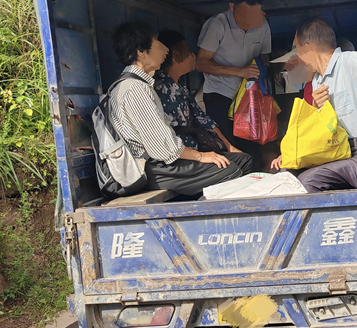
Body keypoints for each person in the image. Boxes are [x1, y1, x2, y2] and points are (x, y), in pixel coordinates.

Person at [108, 21, 252, 197]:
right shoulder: (135, 89)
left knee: (242, 161)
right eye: (157, 44)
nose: (164, 49)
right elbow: (162, 147)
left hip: (163, 164)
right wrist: (201, 156)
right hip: (153, 168)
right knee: (231, 171)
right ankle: (202, 220)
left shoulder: (140, 85)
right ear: (141, 52)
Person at [270, 19, 357, 192]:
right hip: (337, 151)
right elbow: (323, 130)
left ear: (307, 47)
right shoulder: (317, 81)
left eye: (298, 50)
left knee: (308, 181)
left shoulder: (351, 61)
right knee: (286, 173)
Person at [153, 29, 253, 170]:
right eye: (188, 52)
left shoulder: (181, 88)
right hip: (182, 157)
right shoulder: (159, 89)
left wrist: (229, 146)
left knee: (243, 158)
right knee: (237, 165)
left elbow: (203, 118)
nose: (192, 56)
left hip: (197, 149)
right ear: (175, 56)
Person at [197, 0, 271, 147]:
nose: (248, 23)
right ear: (232, 6)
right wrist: (240, 71)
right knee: (228, 148)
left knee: (253, 146)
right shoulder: (218, 24)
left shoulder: (263, 25)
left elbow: (264, 57)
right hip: (219, 94)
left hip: (250, 95)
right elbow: (201, 63)